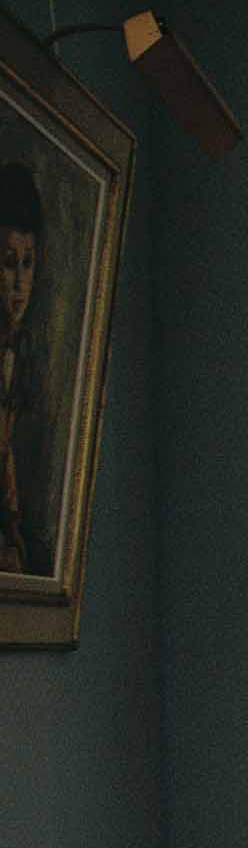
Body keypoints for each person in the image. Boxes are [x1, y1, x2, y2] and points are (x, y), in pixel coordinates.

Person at [0, 162, 48, 576]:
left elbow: (6, 444)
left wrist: (13, 524)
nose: (19, 283)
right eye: (8, 262)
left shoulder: (18, 350)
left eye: (27, 264)